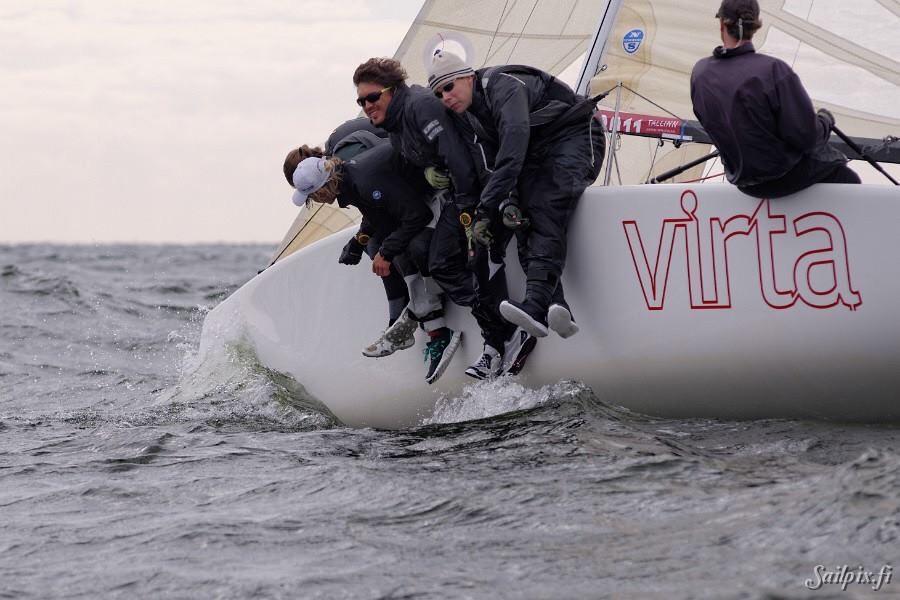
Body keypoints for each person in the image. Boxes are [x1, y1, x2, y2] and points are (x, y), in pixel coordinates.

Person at [352, 57, 534, 380]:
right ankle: (499, 333)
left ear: (392, 92)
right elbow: (425, 162)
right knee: (438, 260)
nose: (366, 106)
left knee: (445, 261)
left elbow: (458, 157)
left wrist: (468, 212)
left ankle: (506, 329)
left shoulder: (419, 106)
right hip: (459, 193)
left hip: (477, 189)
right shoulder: (395, 127)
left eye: (372, 97)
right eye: (360, 101)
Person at [426, 51, 606, 344]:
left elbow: (512, 150)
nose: (445, 96)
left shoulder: (503, 86)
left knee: (545, 204)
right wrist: (507, 202)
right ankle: (556, 306)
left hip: (577, 135)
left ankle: (536, 304)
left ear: (468, 77)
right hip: (537, 154)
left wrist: (484, 211)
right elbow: (495, 165)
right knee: (519, 219)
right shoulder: (470, 114)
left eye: (449, 86)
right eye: (438, 93)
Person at [283, 143, 461, 385]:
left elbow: (418, 215)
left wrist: (386, 254)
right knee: (387, 244)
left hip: (442, 194)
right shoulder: (349, 183)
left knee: (414, 247)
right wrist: (359, 242)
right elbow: (378, 215)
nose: (314, 201)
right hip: (416, 201)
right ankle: (419, 319)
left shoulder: (363, 181)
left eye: (312, 196)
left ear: (324, 188)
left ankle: (434, 323)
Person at [690, 0, 860, 199]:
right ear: (755, 26)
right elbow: (807, 138)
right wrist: (825, 121)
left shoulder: (700, 73)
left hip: (744, 184)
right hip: (784, 178)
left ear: (722, 25)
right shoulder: (773, 71)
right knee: (847, 178)